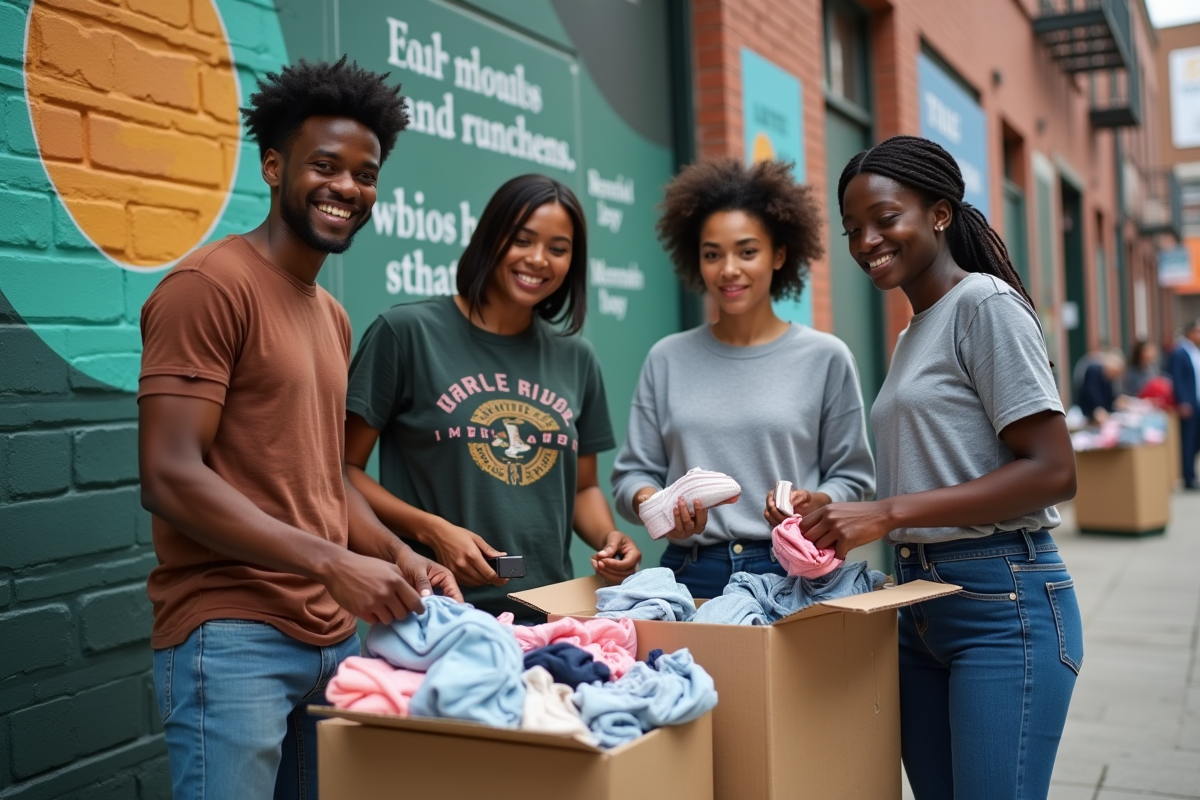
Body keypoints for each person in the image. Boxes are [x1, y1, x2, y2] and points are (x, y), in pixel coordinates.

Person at [137, 58, 461, 799]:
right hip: (232, 640)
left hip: (328, 638)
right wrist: (331, 563)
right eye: (325, 165)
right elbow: (169, 475)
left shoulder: (329, 313)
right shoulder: (207, 287)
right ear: (274, 165)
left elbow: (316, 479)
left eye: (365, 173)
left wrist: (393, 553)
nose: (347, 187)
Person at [816, 135, 1082, 800]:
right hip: (918, 605)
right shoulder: (915, 330)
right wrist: (834, 512)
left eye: (884, 219)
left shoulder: (983, 304)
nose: (866, 241)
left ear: (939, 213)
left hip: (1003, 605)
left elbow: (1053, 471)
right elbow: (936, 472)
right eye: (852, 230)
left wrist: (886, 512)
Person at [344, 174, 641, 622]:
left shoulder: (576, 358)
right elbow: (341, 470)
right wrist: (434, 531)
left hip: (553, 615)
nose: (538, 259)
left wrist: (608, 536)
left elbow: (583, 487)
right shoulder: (406, 333)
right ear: (491, 237)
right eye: (523, 240)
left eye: (558, 249)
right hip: (438, 611)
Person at [610, 158, 875, 599]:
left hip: (790, 568)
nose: (728, 269)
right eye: (712, 254)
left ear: (779, 255)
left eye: (747, 251)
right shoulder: (667, 358)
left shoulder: (826, 357)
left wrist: (816, 502)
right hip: (688, 573)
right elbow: (631, 475)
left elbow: (853, 477)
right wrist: (655, 505)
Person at [1167, 320, 1200, 489]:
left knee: (1196, 441)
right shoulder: (1179, 352)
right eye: (1197, 332)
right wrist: (1183, 401)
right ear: (1190, 332)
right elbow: (1177, 379)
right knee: (1188, 440)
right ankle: (1188, 477)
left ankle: (1191, 474)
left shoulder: (1195, 350)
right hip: (1188, 404)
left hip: (1197, 402)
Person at [1076, 350, 1125, 423]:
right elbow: (1091, 393)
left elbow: (1109, 400)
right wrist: (1098, 409)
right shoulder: (1094, 371)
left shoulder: (1108, 380)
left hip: (1102, 417)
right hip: (1086, 416)